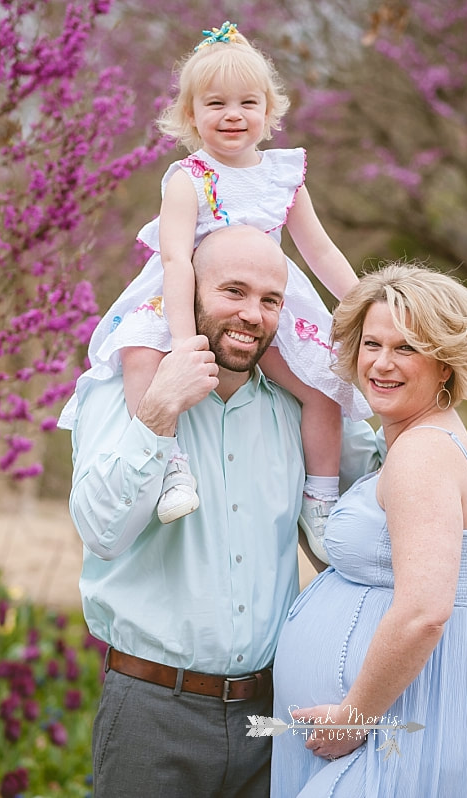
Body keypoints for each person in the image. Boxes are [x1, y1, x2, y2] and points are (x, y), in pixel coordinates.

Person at [62, 225, 382, 797]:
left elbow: (382, 495)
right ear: (187, 292)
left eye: (270, 300)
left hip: (271, 716)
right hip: (154, 714)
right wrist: (160, 412)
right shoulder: (121, 393)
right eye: (233, 291)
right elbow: (101, 530)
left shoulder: (302, 409)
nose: (252, 315)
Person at [58, 21, 367, 563]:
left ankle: (320, 499)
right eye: (216, 103)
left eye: (248, 102)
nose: (232, 115)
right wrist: (182, 341)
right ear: (189, 115)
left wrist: (367, 305)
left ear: (268, 113)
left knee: (324, 386)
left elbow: (319, 252)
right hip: (189, 297)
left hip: (266, 301)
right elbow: (176, 258)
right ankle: (171, 464)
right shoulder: (189, 178)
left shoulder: (283, 178)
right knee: (139, 354)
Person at [270, 263, 467, 797]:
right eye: (371, 344)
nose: (381, 364)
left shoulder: (423, 455)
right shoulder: (425, 440)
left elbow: (424, 613)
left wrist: (353, 718)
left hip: (392, 730)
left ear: (446, 364)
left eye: (406, 348)